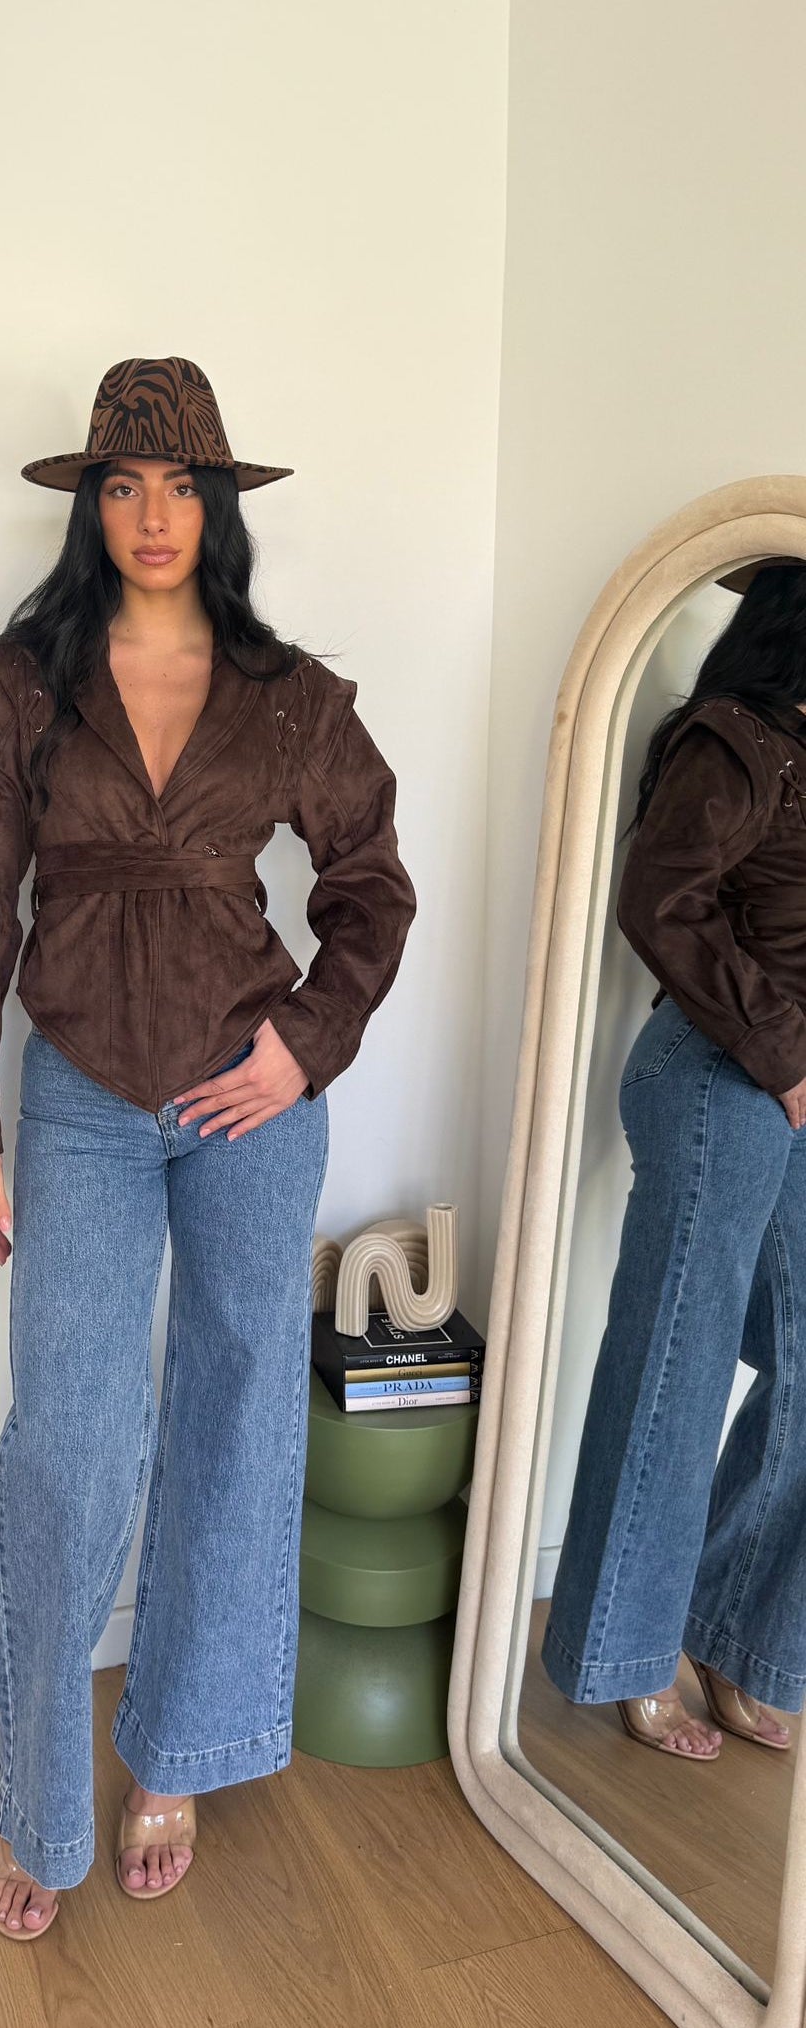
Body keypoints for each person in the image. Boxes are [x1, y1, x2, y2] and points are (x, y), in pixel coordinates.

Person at [0, 356, 417, 1936]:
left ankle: (182, 1754)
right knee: (69, 1444)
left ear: (216, 507)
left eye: (181, 486)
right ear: (91, 505)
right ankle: (35, 1807)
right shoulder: (28, 684)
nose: (153, 514)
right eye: (125, 486)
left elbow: (372, 887)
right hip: (79, 1090)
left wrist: (304, 1045)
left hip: (246, 1102)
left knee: (238, 1418)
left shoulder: (289, 695)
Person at [541, 559, 806, 1759]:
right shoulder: (736, 738)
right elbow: (659, 898)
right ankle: (626, 1655)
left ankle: (729, 1630)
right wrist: (782, 1059)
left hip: (786, 1085)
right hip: (715, 1075)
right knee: (674, 1370)